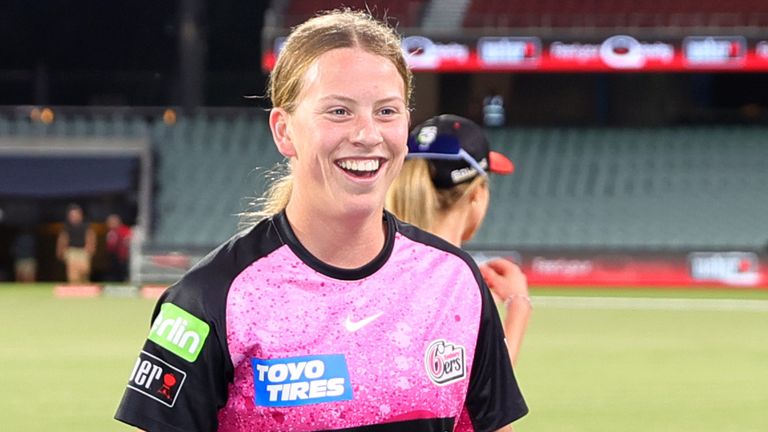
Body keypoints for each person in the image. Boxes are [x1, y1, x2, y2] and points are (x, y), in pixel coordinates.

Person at [115, 9, 526, 432]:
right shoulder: (208, 300)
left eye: (386, 111)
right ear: (284, 131)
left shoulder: (455, 282)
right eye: (339, 111)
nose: (367, 134)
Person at [386, 114, 532, 366]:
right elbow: (482, 396)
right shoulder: (455, 276)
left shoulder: (382, 259)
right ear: (476, 195)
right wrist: (518, 305)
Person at [56, 204, 96, 283]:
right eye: (71, 215)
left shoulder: (86, 226)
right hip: (71, 251)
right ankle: (74, 288)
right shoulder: (66, 227)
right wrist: (60, 251)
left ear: (80, 215)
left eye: (75, 215)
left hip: (83, 251)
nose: (74, 217)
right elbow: (62, 240)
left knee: (84, 271)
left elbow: (91, 238)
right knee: (73, 273)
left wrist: (90, 248)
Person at [105, 213, 132, 282]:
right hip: (115, 258)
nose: (109, 224)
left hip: (125, 257)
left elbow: (128, 243)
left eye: (111, 222)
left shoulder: (125, 230)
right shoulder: (110, 233)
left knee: (125, 273)